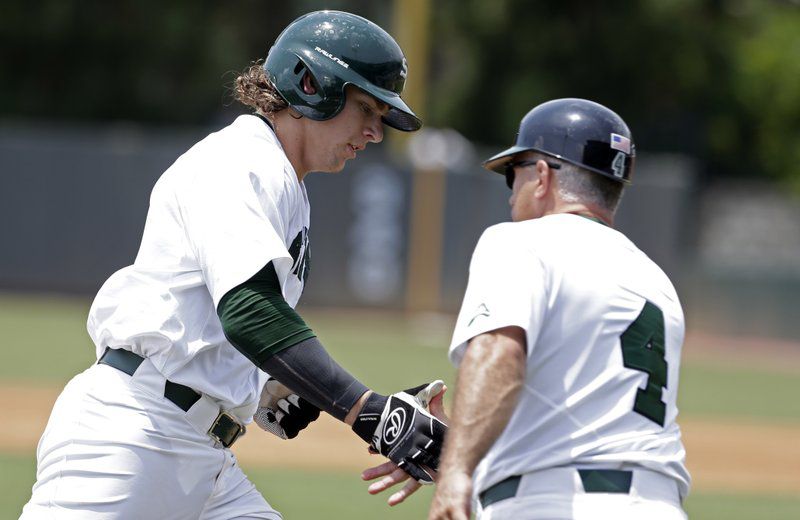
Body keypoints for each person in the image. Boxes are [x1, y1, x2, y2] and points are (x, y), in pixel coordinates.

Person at [21, 10, 446, 520]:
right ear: (311, 84)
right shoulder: (242, 161)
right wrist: (369, 412)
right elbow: (249, 311)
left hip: (201, 454)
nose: (376, 132)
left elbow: (219, 318)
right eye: (367, 109)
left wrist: (268, 386)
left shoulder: (284, 180)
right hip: (133, 437)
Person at [423, 98, 691, 519]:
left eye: (513, 172)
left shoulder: (520, 241)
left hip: (554, 503)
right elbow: (577, 409)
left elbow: (500, 354)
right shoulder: (657, 281)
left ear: (542, 175)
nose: (511, 189)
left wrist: (458, 469)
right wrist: (451, 441)